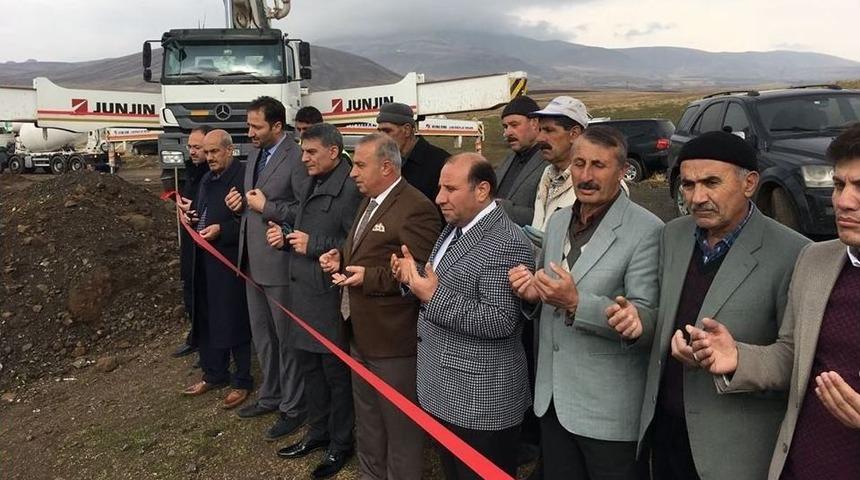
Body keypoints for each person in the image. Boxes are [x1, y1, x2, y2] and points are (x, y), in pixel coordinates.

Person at [688, 124, 860, 479]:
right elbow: (793, 356)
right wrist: (738, 358)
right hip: (805, 463)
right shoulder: (817, 261)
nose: (843, 201)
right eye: (839, 184)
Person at [637, 131, 810, 480]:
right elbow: (667, 315)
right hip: (667, 432)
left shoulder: (794, 253)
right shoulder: (674, 235)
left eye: (711, 182)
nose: (697, 197)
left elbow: (798, 358)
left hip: (733, 450)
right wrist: (638, 320)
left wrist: (735, 358)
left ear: (749, 183)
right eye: (688, 185)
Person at [508, 126, 662, 479]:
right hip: (553, 402)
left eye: (598, 165)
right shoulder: (560, 221)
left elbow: (647, 318)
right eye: (579, 164)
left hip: (607, 412)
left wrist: (578, 304)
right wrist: (532, 295)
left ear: (623, 172)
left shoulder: (647, 230)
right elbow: (547, 296)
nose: (586, 176)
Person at [392, 153, 535, 479]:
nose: (439, 197)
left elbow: (500, 320)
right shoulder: (456, 227)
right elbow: (445, 280)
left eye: (450, 189)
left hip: (480, 402)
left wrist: (432, 295)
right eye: (440, 187)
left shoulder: (506, 243)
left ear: (482, 190)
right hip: (448, 390)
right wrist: (412, 277)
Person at [319, 133, 440, 480]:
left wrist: (368, 278)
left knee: (400, 430)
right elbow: (364, 249)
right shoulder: (369, 200)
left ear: (386, 167)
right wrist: (340, 256)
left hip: (394, 341)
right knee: (369, 423)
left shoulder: (415, 207)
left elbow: (419, 273)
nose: (352, 172)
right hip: (360, 333)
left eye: (359, 165)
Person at [265, 123, 362, 478]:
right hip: (302, 293)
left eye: (310, 152)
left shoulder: (350, 188)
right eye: (303, 151)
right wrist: (286, 235)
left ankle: (340, 444)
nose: (303, 158)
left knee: (335, 375)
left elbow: (355, 243)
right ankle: (317, 433)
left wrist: (314, 245)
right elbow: (304, 226)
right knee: (310, 370)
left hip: (328, 297)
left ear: (333, 152)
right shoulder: (310, 181)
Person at [224, 95, 309, 440]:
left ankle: (294, 407)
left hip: (280, 263)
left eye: (256, 127)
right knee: (263, 336)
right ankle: (271, 395)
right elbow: (252, 206)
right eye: (248, 125)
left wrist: (268, 206)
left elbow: (304, 210)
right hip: (251, 261)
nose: (249, 133)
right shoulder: (255, 153)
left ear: (277, 126)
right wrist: (237, 207)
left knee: (286, 339)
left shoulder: (297, 158)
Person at [181, 129, 252, 410]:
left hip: (230, 260)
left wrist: (223, 230)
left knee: (234, 319)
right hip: (204, 260)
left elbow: (250, 223)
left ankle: (242, 379)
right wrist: (193, 216)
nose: (208, 157)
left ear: (229, 150)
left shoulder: (244, 177)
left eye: (214, 152)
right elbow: (202, 209)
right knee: (209, 317)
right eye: (206, 152)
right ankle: (214, 372)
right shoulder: (207, 180)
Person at [173, 125, 211, 359]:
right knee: (190, 290)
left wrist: (196, 213)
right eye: (190, 147)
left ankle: (209, 346)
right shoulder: (192, 173)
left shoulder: (212, 176)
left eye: (197, 147)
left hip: (206, 247)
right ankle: (195, 337)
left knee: (206, 297)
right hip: (189, 245)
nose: (192, 151)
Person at [528, 96, 587, 231]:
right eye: (540, 130)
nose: (539, 138)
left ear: (574, 134)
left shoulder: (596, 182)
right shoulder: (548, 175)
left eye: (549, 130)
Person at [376, 102, 450, 202]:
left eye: (387, 131)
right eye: (379, 132)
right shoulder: (385, 164)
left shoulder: (440, 162)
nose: (381, 138)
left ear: (407, 130)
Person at [495, 95, 545, 227]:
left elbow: (546, 217)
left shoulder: (549, 162)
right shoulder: (507, 160)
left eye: (514, 125)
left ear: (535, 123)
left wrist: (500, 208)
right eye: (505, 127)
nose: (507, 133)